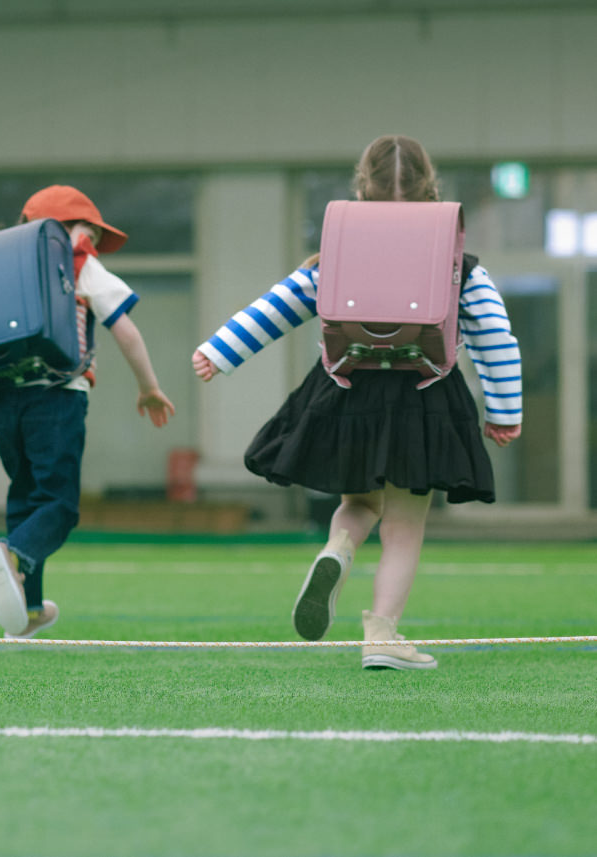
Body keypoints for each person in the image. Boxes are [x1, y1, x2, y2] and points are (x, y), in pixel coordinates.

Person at [192, 136, 522, 670]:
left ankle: (338, 551)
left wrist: (218, 352)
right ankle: (382, 634)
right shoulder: (462, 264)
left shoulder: (336, 257)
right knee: (405, 524)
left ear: (361, 188)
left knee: (360, 502)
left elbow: (280, 305)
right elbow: (495, 335)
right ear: (432, 190)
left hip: (348, 390)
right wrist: (505, 409)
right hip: (424, 395)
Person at [0, 185, 175, 638]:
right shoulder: (77, 262)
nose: (96, 243)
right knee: (59, 505)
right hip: (57, 395)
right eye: (92, 232)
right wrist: (150, 387)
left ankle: (27, 609)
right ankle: (14, 555)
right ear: (70, 229)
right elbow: (124, 327)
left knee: (26, 497)